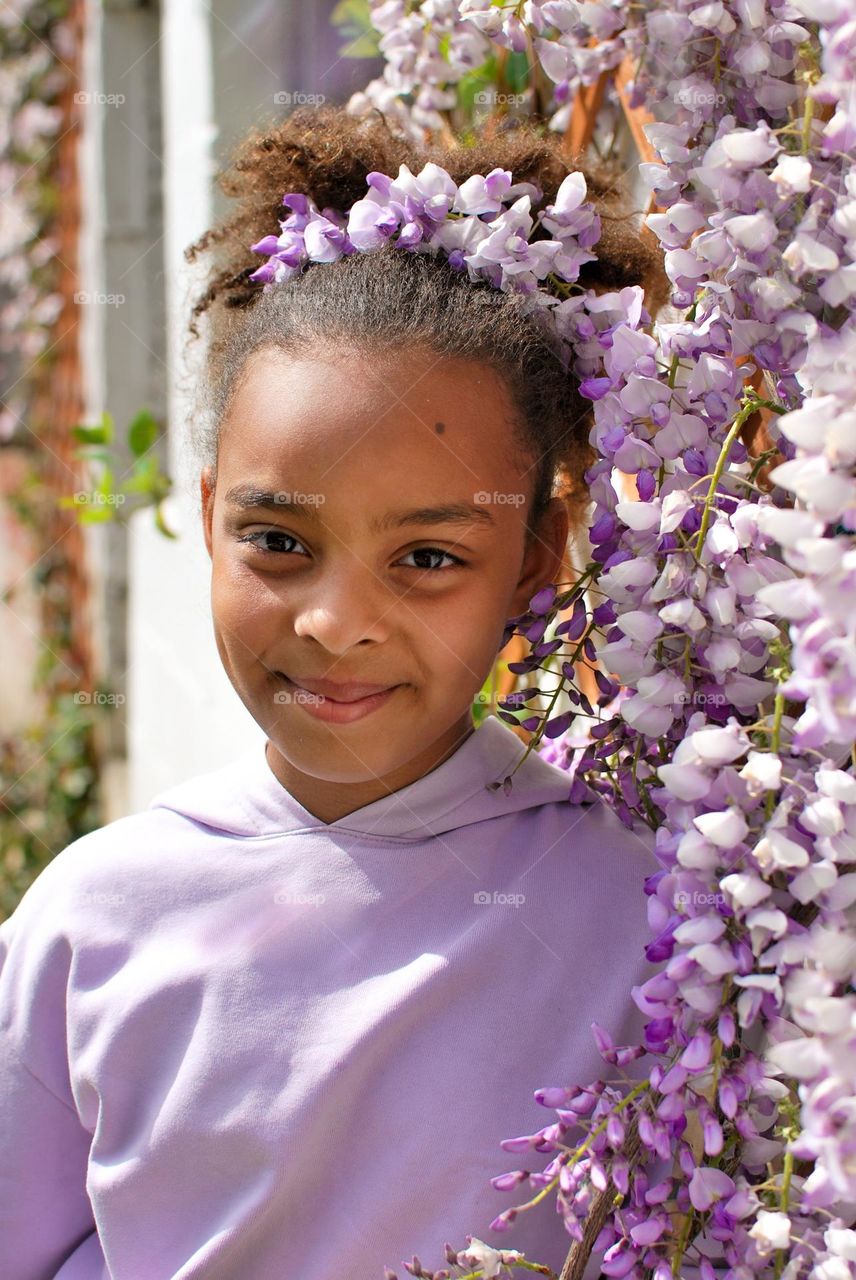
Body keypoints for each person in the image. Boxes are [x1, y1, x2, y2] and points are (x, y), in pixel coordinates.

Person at [0, 105, 670, 1280]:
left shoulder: (650, 913)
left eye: (425, 558)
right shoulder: (91, 920)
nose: (333, 622)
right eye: (275, 539)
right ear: (209, 514)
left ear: (534, 557)